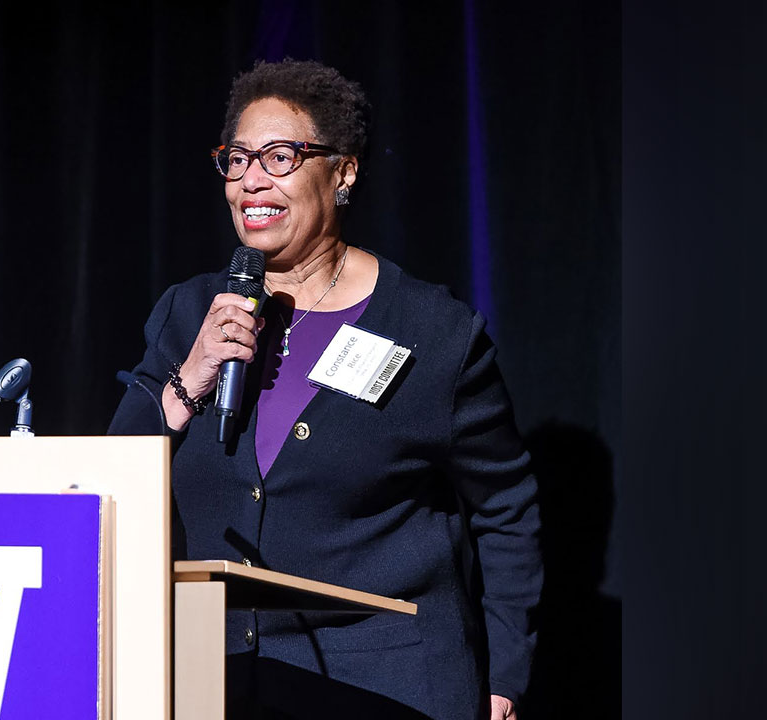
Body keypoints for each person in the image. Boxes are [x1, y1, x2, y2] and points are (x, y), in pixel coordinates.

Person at [110, 59, 540, 720]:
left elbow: (506, 507)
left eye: (281, 157)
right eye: (237, 158)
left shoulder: (435, 333)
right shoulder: (187, 313)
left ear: (342, 172)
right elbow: (113, 486)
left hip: (383, 690)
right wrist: (184, 385)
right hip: (210, 682)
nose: (251, 179)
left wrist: (505, 674)